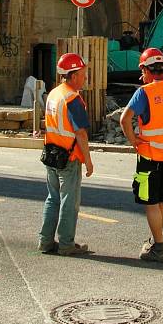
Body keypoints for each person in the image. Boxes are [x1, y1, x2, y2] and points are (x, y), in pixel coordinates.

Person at [120, 47, 163, 263]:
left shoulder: (145, 92)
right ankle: (156, 238)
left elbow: (124, 119)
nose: (142, 77)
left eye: (142, 71)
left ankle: (158, 247)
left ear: (148, 71)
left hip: (149, 155)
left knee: (150, 202)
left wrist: (133, 141)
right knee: (162, 199)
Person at [38, 52, 94, 256]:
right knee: (69, 202)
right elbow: (80, 133)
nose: (85, 77)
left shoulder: (54, 93)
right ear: (72, 75)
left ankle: (45, 242)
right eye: (82, 73)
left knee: (52, 199)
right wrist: (88, 160)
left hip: (52, 154)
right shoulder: (72, 98)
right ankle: (66, 244)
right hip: (69, 158)